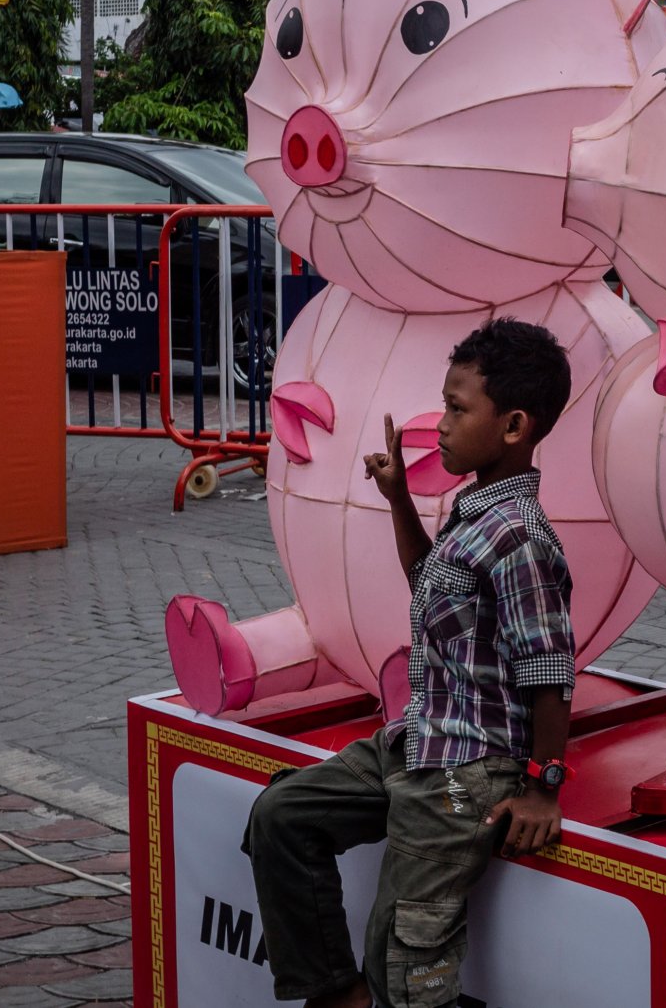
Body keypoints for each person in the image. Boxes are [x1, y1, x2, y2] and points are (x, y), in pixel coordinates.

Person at [246, 320, 576, 1008]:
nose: (442, 424)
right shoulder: (473, 511)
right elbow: (431, 579)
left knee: (403, 961)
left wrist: (544, 786)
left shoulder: (518, 535)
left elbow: (551, 669)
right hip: (419, 742)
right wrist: (400, 497)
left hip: (468, 773)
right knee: (282, 816)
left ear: (514, 425)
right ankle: (339, 994)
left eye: (459, 409)